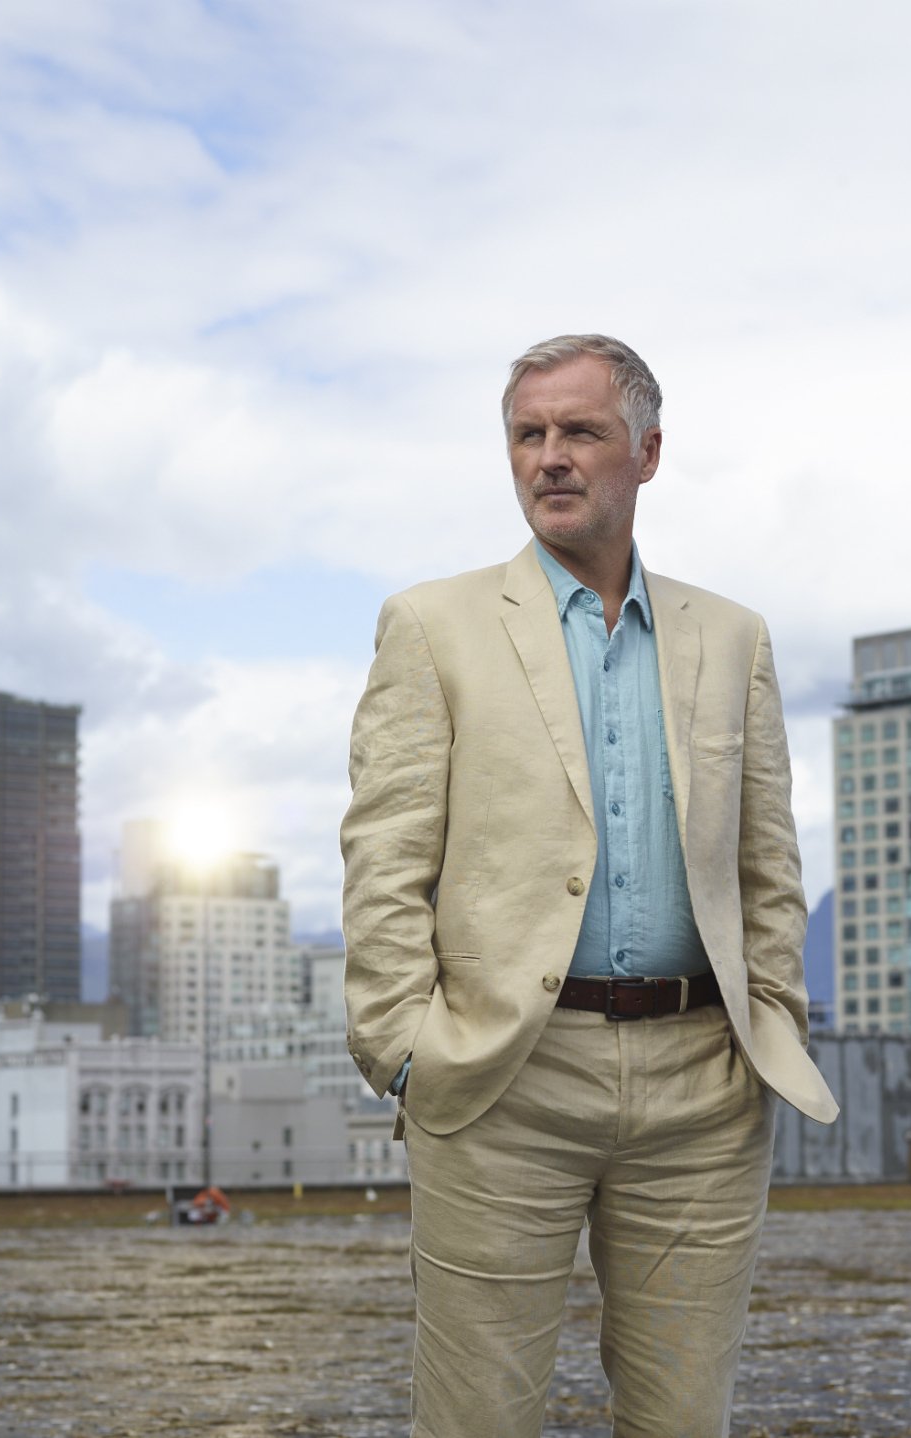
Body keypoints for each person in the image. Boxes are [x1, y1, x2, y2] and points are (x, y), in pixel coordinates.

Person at [340, 334, 838, 1437]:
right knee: (477, 1421)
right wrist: (405, 1048)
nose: (550, 456)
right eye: (528, 434)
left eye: (580, 431)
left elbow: (767, 862)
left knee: (683, 1420)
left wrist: (771, 1021)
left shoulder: (735, 638)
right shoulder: (432, 626)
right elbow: (384, 857)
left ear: (647, 453)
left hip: (703, 1086)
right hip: (501, 1077)